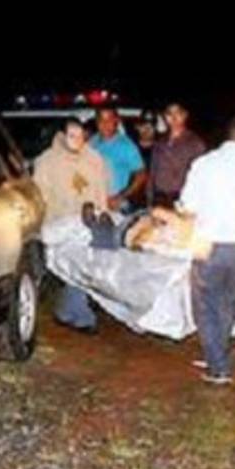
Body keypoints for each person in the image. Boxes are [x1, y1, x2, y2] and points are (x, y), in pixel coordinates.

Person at [175, 117, 235, 385]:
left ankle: (218, 367)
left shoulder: (205, 164)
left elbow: (188, 205)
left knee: (205, 304)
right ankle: (215, 352)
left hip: (211, 243)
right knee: (228, 301)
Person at [33, 118, 110, 333]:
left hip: (90, 224)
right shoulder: (47, 162)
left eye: (80, 135)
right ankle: (82, 317)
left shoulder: (94, 159)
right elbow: (42, 197)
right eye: (71, 135)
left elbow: (100, 189)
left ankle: (68, 311)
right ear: (62, 136)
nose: (77, 141)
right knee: (78, 266)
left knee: (87, 266)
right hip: (60, 226)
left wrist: (101, 213)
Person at [151, 103, 206, 209]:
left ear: (185, 115)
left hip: (182, 199)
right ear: (164, 116)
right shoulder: (160, 142)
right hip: (159, 199)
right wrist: (150, 200)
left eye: (178, 113)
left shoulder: (195, 143)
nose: (174, 118)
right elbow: (153, 173)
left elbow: (201, 176)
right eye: (169, 114)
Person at [91, 107, 147, 212]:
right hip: (94, 201)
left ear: (116, 121)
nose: (105, 123)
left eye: (109, 119)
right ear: (96, 121)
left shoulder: (126, 145)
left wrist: (121, 196)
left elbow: (142, 174)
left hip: (114, 204)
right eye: (101, 119)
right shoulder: (92, 142)